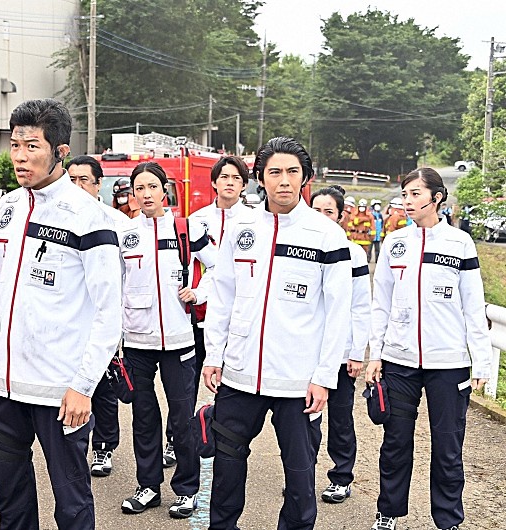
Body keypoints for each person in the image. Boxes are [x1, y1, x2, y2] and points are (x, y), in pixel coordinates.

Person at [0, 99, 122, 530]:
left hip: (60, 390)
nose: (19, 156)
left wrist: (83, 386)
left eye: (32, 145)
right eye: (15, 144)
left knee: (71, 502)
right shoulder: (11, 206)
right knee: (11, 500)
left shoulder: (89, 217)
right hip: (5, 387)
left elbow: (110, 313)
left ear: (61, 150)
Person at [203, 137, 352, 530]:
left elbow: (339, 314)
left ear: (306, 178)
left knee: (300, 476)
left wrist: (324, 377)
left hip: (297, 382)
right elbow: (222, 294)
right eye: (274, 172)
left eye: (292, 172)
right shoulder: (241, 226)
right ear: (260, 179)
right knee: (227, 467)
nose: (283, 181)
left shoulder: (326, 235)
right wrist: (214, 355)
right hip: (239, 374)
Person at [365, 168, 491, 530]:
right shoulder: (395, 242)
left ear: (437, 197)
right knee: (395, 442)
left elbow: (473, 305)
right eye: (404, 195)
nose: (407, 202)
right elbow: (381, 303)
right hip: (400, 360)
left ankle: (448, 519)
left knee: (448, 446)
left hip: (448, 362)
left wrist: (480, 362)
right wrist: (377, 354)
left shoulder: (460, 243)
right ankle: (388, 511)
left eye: (416, 194)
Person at [118, 162, 217, 518]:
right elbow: (113, 283)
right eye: (138, 188)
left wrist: (198, 291)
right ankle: (148, 487)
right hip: (137, 341)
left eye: (151, 187)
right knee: (144, 416)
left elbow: (219, 268)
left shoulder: (186, 229)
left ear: (165, 190)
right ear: (133, 194)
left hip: (179, 341)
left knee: (182, 418)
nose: (145, 194)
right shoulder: (125, 233)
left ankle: (187, 490)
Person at [162, 156, 249, 466]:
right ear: (213, 182)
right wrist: (196, 296)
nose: (228, 182)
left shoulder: (253, 223)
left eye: (236, 178)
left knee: (230, 387)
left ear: (243, 185)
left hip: (236, 320)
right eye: (223, 176)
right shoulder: (195, 221)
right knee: (185, 389)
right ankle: (176, 440)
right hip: (196, 317)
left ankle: (223, 440)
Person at [66, 155, 129, 478]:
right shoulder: (59, 218)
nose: (76, 186)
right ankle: (73, 443)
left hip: (103, 321)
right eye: (71, 179)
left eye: (84, 180)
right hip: (69, 323)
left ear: (98, 185)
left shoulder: (117, 222)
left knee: (103, 388)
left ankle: (104, 447)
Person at [310, 185, 371, 505]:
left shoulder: (354, 253)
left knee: (341, 417)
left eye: (329, 212)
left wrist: (357, 351)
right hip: (307, 350)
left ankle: (340, 477)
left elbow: (361, 307)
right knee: (304, 417)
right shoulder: (299, 246)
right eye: (316, 210)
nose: (322, 217)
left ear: (341, 215)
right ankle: (302, 474)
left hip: (341, 350)